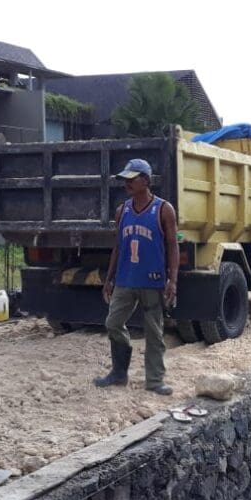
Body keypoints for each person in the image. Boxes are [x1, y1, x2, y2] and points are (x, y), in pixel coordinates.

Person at [94, 158, 179, 395]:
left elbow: (173, 246)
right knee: (113, 322)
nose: (126, 183)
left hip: (152, 281)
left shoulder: (163, 209)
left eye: (132, 179)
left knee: (154, 332)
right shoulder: (123, 211)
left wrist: (173, 280)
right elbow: (118, 246)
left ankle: (154, 380)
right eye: (125, 179)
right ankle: (119, 373)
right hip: (125, 280)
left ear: (145, 180)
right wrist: (109, 278)